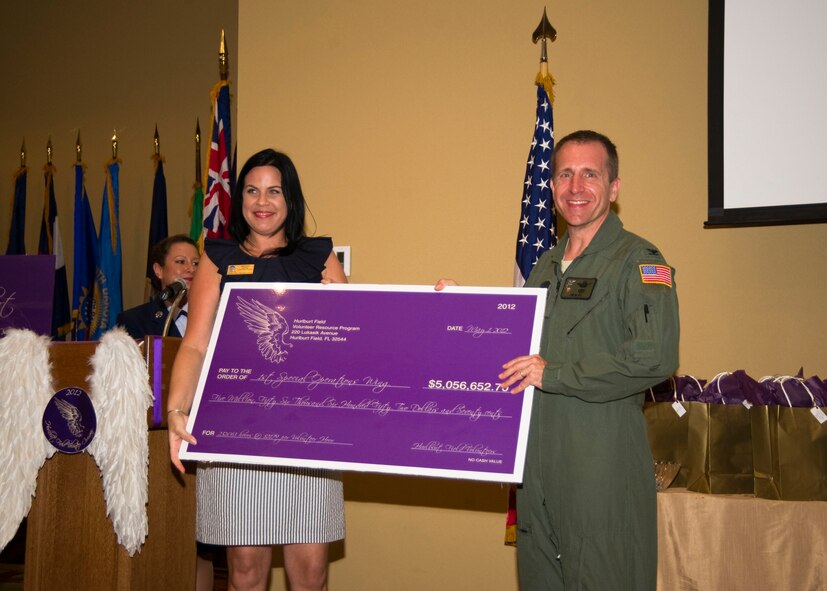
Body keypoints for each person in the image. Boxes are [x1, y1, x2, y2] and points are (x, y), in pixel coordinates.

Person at [438, 130, 679, 590]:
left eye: (590, 174)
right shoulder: (544, 265)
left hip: (599, 467)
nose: (576, 187)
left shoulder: (639, 262)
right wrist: (465, 310)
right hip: (535, 469)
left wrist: (556, 375)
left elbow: (654, 358)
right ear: (551, 187)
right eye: (565, 175)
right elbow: (518, 351)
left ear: (614, 187)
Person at [167, 148, 347, 591]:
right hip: (235, 427)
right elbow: (195, 344)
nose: (262, 201)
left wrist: (340, 308)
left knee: (311, 573)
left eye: (273, 191)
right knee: (245, 572)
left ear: (290, 199)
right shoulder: (217, 257)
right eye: (251, 190)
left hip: (308, 429)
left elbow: (350, 340)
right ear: (240, 199)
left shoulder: (320, 256)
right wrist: (176, 411)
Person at [117, 234, 200, 339]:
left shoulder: (214, 316)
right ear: (159, 270)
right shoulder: (135, 320)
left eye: (196, 263)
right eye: (180, 261)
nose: (191, 269)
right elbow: (156, 350)